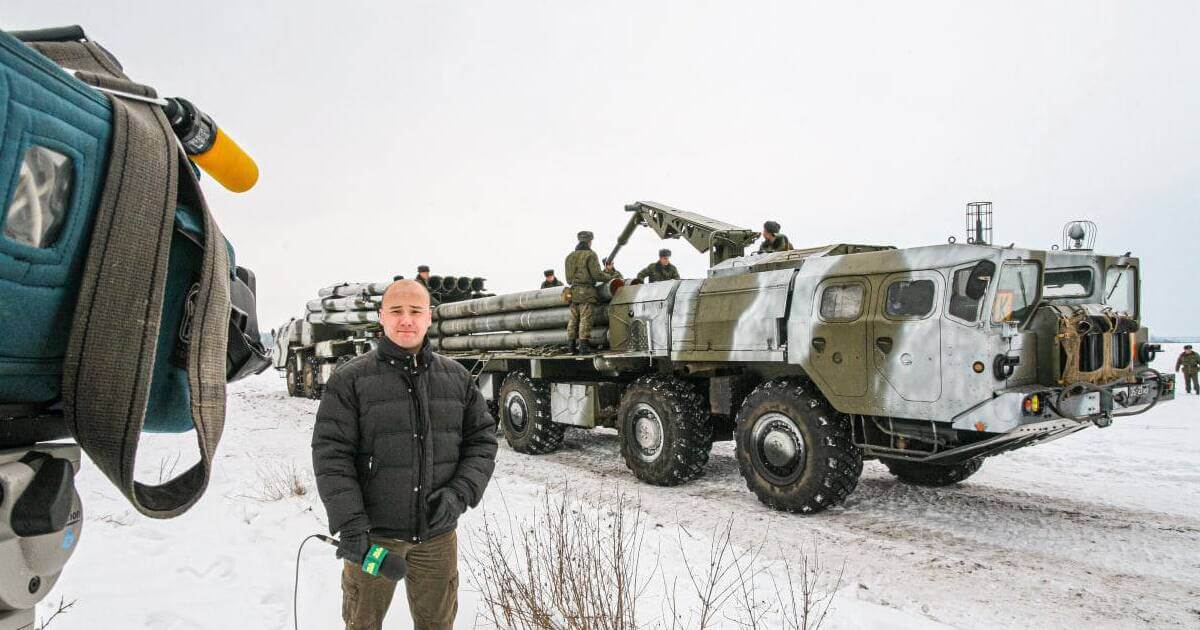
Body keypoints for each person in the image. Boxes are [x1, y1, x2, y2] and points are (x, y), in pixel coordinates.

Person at [312, 279, 498, 630]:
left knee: (437, 624)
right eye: (396, 311)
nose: (406, 320)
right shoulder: (350, 380)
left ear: (429, 317)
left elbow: (482, 441)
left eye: (415, 311)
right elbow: (331, 456)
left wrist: (460, 494)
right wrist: (351, 525)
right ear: (382, 317)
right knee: (362, 623)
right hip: (373, 538)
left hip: (438, 538)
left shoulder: (456, 378)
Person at [564, 230, 618, 354]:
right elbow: (597, 275)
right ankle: (583, 347)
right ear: (590, 241)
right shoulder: (590, 255)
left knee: (573, 320)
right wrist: (610, 278)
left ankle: (571, 347)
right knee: (585, 319)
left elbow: (567, 278)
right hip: (586, 292)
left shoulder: (569, 256)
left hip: (573, 292)